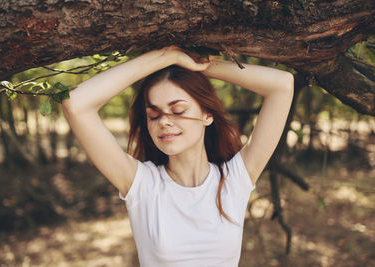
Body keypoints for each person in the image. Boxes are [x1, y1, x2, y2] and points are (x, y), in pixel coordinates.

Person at [62, 46, 294, 266]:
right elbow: (76, 104)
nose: (164, 121)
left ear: (207, 115)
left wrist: (197, 63)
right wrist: (166, 57)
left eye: (178, 110)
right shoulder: (142, 185)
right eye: (153, 115)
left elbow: (282, 85)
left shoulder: (235, 180)